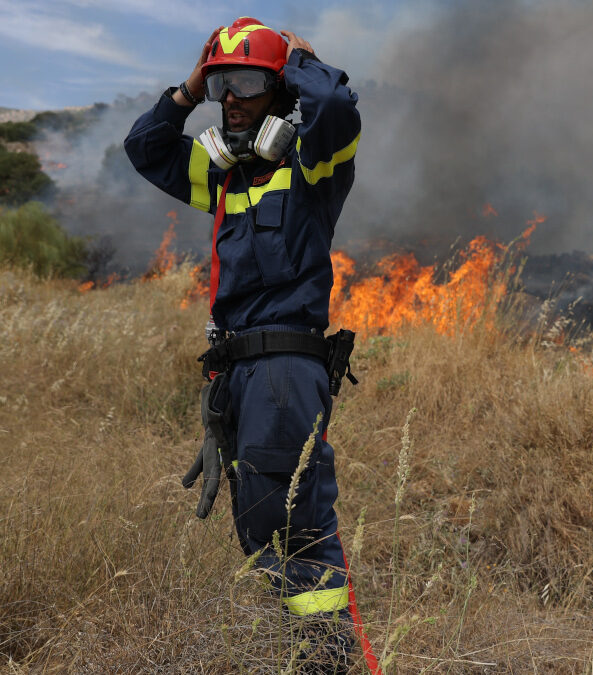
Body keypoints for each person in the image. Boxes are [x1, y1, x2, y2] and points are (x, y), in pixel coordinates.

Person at [124, 17, 363, 673]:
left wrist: (300, 62)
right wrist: (189, 86)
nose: (231, 98)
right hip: (241, 373)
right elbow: (145, 147)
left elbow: (337, 106)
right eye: (223, 85)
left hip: (286, 366)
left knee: (291, 525)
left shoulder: (314, 167)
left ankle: (328, 660)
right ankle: (308, 651)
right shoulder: (225, 176)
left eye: (248, 85)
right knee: (262, 524)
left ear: (279, 95)